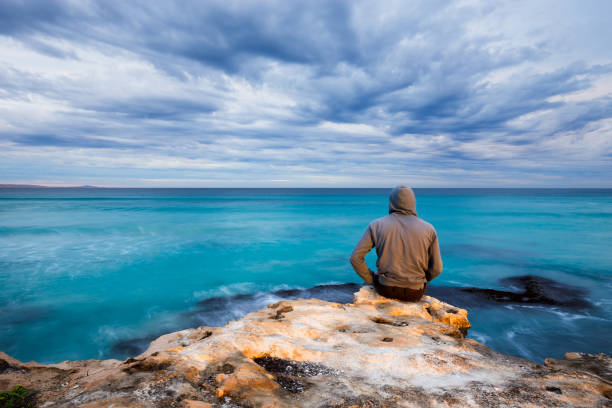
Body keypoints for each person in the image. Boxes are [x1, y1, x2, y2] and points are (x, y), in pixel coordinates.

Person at [349, 185, 442, 302]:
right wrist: (420, 280)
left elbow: (355, 258)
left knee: (366, 284)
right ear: (413, 203)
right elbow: (437, 269)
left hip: (385, 289)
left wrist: (370, 278)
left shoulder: (376, 225)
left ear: (391, 202)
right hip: (415, 293)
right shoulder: (429, 229)